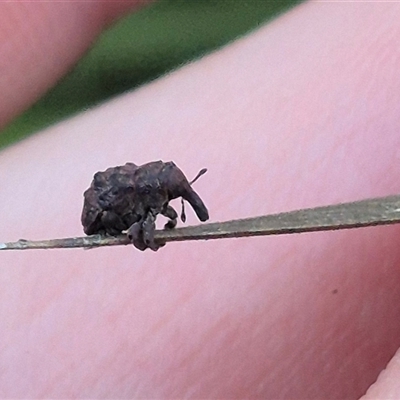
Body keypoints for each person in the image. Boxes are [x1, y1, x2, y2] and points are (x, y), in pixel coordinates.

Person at [1, 2, 399, 398]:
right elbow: (145, 228)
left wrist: (169, 219)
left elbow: (166, 217)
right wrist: (149, 233)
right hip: (103, 216)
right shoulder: (140, 196)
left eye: (181, 191)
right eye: (179, 192)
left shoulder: (155, 193)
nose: (186, 197)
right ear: (158, 186)